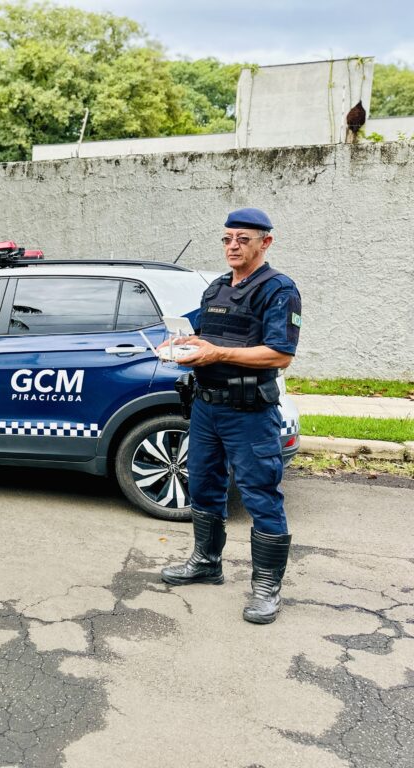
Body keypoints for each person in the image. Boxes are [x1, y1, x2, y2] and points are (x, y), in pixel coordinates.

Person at [160, 208, 301, 624]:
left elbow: (281, 354)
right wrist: (185, 343)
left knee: (261, 495)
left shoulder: (278, 289)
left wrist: (218, 353)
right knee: (203, 486)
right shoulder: (218, 288)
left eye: (242, 238)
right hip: (206, 407)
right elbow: (204, 335)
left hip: (250, 413)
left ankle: (266, 587)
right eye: (226, 239)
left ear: (265, 242)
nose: (233, 246)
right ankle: (206, 561)